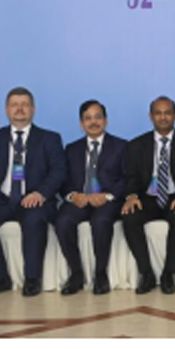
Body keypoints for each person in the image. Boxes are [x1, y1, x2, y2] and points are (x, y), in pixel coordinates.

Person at [0, 87, 66, 297]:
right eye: (14, 105)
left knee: (34, 219)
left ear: (33, 109)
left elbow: (59, 171)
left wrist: (40, 193)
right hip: (1, 200)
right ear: (6, 109)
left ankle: (32, 279)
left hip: (35, 200)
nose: (19, 109)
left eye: (24, 105)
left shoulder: (50, 138)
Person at [122, 96, 175, 294]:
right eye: (158, 113)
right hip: (148, 197)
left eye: (167, 113)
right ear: (151, 116)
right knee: (129, 216)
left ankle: (169, 274)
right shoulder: (136, 145)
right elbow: (131, 176)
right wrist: (131, 195)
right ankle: (146, 273)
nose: (163, 117)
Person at [56, 100, 127, 295]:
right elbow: (62, 179)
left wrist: (108, 195)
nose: (93, 122)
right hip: (80, 200)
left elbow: (126, 178)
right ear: (81, 124)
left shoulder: (121, 146)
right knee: (63, 222)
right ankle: (76, 274)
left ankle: (101, 274)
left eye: (98, 117)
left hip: (107, 201)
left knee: (102, 221)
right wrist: (72, 195)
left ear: (106, 121)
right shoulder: (71, 149)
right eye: (88, 118)